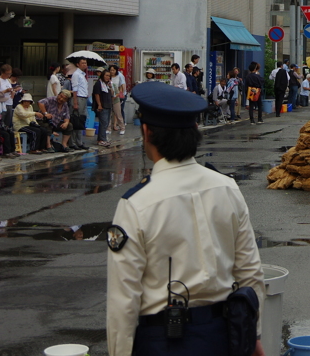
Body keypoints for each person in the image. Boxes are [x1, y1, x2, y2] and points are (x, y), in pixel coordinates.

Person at [105, 82, 265, 356]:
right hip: (224, 336)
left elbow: (124, 298)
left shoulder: (136, 203)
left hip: (162, 340)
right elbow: (250, 272)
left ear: (146, 132)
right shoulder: (226, 187)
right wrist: (251, 336)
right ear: (195, 132)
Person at [109, 64, 127, 135]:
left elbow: (122, 86)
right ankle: (109, 128)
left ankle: (122, 128)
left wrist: (120, 95)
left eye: (113, 70)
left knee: (118, 113)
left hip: (117, 96)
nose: (112, 71)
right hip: (109, 97)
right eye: (111, 70)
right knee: (109, 113)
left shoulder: (119, 76)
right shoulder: (108, 77)